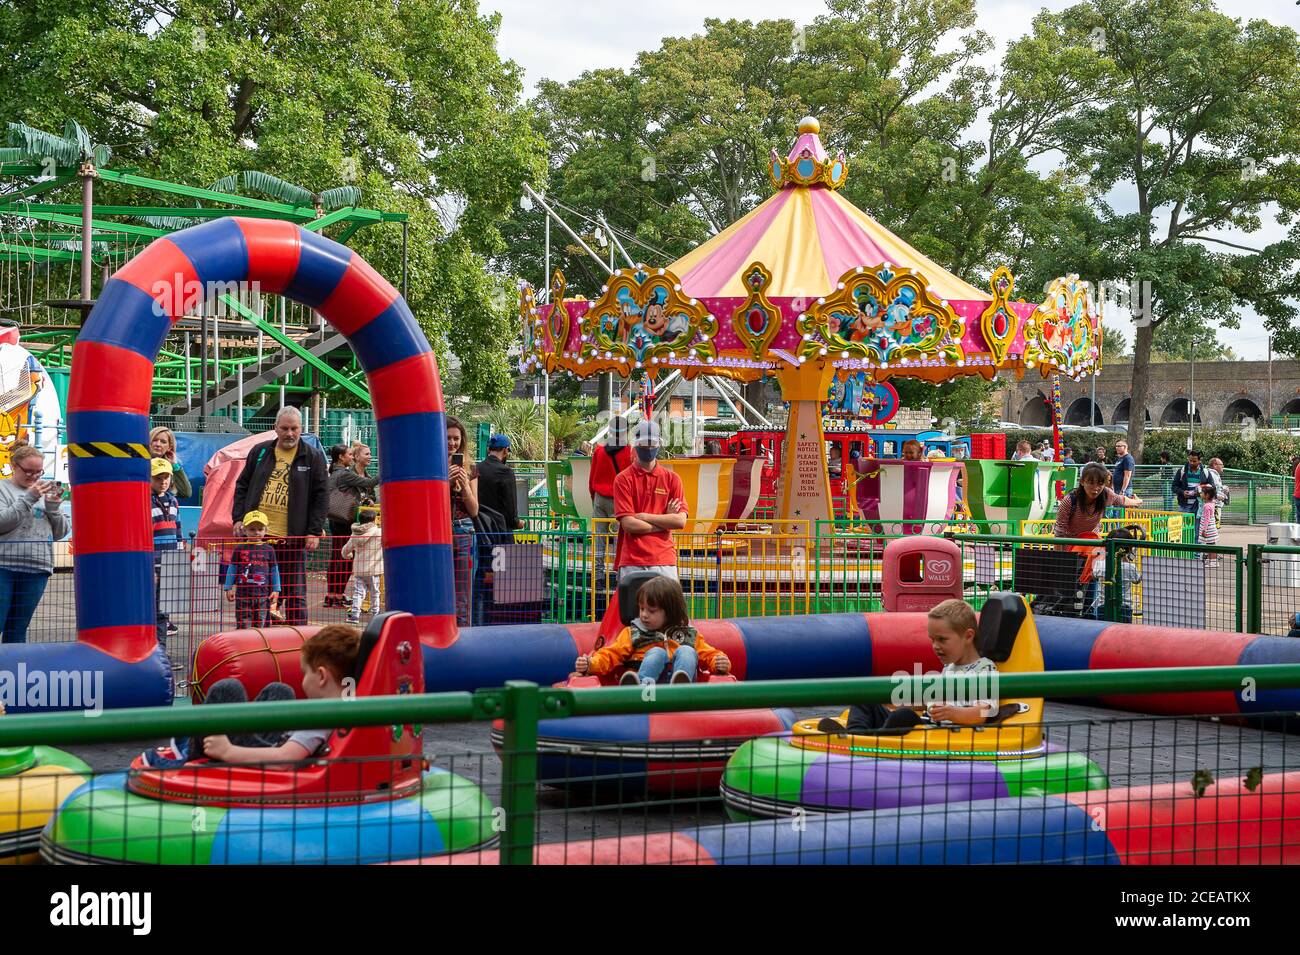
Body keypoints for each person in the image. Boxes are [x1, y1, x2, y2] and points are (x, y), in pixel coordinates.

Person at [143, 624, 361, 768]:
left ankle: (187, 757)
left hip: (256, 755)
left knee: (226, 689)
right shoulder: (354, 704)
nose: (303, 680)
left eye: (305, 674)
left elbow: (285, 759)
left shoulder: (323, 717)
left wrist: (228, 751)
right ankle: (187, 741)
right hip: (271, 742)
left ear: (321, 676)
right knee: (280, 691)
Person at [821, 599, 997, 734]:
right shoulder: (950, 668)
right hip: (928, 727)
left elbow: (984, 712)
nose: (935, 646)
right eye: (932, 640)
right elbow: (927, 700)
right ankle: (854, 737)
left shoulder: (985, 669)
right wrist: (890, 701)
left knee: (903, 717)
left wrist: (952, 713)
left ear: (968, 636)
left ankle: (872, 742)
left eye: (942, 639)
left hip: (949, 735)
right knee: (866, 700)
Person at [230, 407, 329, 626]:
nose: (289, 433)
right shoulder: (260, 452)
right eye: (284, 428)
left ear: (301, 429)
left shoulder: (312, 456)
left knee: (295, 594)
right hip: (259, 537)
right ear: (276, 428)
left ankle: (296, 640)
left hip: (293, 538)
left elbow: (321, 496)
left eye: (294, 428)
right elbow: (242, 485)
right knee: (257, 589)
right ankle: (259, 636)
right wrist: (238, 518)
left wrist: (313, 530)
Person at [601, 419, 687, 639]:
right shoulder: (623, 480)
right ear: (635, 444)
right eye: (644, 444)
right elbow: (628, 524)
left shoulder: (672, 479)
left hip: (664, 558)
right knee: (631, 621)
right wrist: (662, 521)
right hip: (633, 560)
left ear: (659, 444)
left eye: (652, 444)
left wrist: (646, 517)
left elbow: (680, 521)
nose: (648, 449)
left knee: (671, 618)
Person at [575, 575, 729, 686]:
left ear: (669, 612)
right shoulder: (633, 633)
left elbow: (709, 654)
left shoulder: (688, 634)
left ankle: (680, 687)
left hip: (680, 693)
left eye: (651, 611)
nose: (643, 614)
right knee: (657, 653)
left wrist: (720, 662)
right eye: (641, 609)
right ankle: (640, 687)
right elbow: (610, 654)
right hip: (649, 693)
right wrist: (591, 664)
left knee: (687, 651)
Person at [0, 444, 66, 644]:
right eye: (28, 471)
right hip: (3, 565)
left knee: (18, 628)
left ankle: (12, 673)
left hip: (37, 567)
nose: (34, 477)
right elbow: (2, 522)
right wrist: (29, 497)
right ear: (14, 466)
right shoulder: (3, 488)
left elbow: (60, 532)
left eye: (39, 472)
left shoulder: (44, 491)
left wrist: (53, 508)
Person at [589, 418, 633, 594]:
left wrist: (594, 497)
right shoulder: (629, 452)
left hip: (599, 498)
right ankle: (618, 578)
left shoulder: (599, 452)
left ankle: (597, 577)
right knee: (618, 541)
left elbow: (592, 479)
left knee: (599, 539)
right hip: (619, 501)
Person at [446, 416, 479, 626]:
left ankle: (463, 633)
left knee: (463, 592)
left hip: (464, 530)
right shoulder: (431, 465)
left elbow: (474, 509)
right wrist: (445, 483)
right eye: (448, 438)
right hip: (439, 532)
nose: (452, 443)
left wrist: (465, 486)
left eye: (456, 439)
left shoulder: (470, 468)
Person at [223, 510, 281, 629]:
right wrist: (228, 587)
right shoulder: (239, 548)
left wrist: (276, 589)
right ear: (244, 531)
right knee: (243, 624)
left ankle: (259, 646)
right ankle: (244, 646)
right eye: (252, 529)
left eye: (260, 529)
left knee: (261, 624)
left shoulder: (269, 549)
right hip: (243, 595)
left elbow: (274, 571)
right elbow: (232, 568)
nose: (256, 532)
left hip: (263, 596)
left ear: (266, 530)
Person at [151, 457, 183, 646]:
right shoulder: (144, 500)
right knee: (152, 608)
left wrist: (179, 557)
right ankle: (151, 649)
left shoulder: (173, 501)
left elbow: (178, 529)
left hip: (170, 561)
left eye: (166, 477)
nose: (163, 482)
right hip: (153, 562)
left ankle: (161, 651)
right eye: (158, 478)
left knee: (165, 610)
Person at [342, 506, 383, 625]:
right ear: (374, 520)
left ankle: (355, 616)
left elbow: (346, 550)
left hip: (360, 569)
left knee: (358, 593)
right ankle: (376, 614)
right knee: (375, 592)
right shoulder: (379, 532)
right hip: (374, 569)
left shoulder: (355, 533)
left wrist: (348, 555)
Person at [325, 444, 354, 608]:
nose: (352, 456)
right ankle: (335, 594)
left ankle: (335, 594)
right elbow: (368, 483)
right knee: (344, 556)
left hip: (337, 518)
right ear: (341, 457)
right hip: (344, 519)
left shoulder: (335, 472)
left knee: (338, 555)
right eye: (350, 454)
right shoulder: (344, 473)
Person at [1170, 449, 1219, 516]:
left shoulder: (1205, 472)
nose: (1191, 463)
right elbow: (1174, 487)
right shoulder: (1182, 471)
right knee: (1184, 526)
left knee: (1198, 526)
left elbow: (1212, 487)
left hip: (1200, 506)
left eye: (1194, 461)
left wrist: (1201, 492)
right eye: (1190, 460)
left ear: (1199, 461)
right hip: (1184, 506)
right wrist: (1182, 492)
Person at [149, 426, 192, 500]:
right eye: (154, 440)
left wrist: (175, 465)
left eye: (163, 442)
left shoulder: (170, 467)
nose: (158, 444)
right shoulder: (140, 463)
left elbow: (186, 493)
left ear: (169, 447)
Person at [1197, 483, 1220, 548]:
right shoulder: (1212, 503)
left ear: (1207, 495)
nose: (1201, 494)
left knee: (1210, 547)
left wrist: (1204, 530)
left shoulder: (1207, 506)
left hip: (1208, 530)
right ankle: (1211, 558)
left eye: (1202, 493)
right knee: (1211, 546)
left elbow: (1207, 519)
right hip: (1211, 529)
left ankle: (1212, 558)